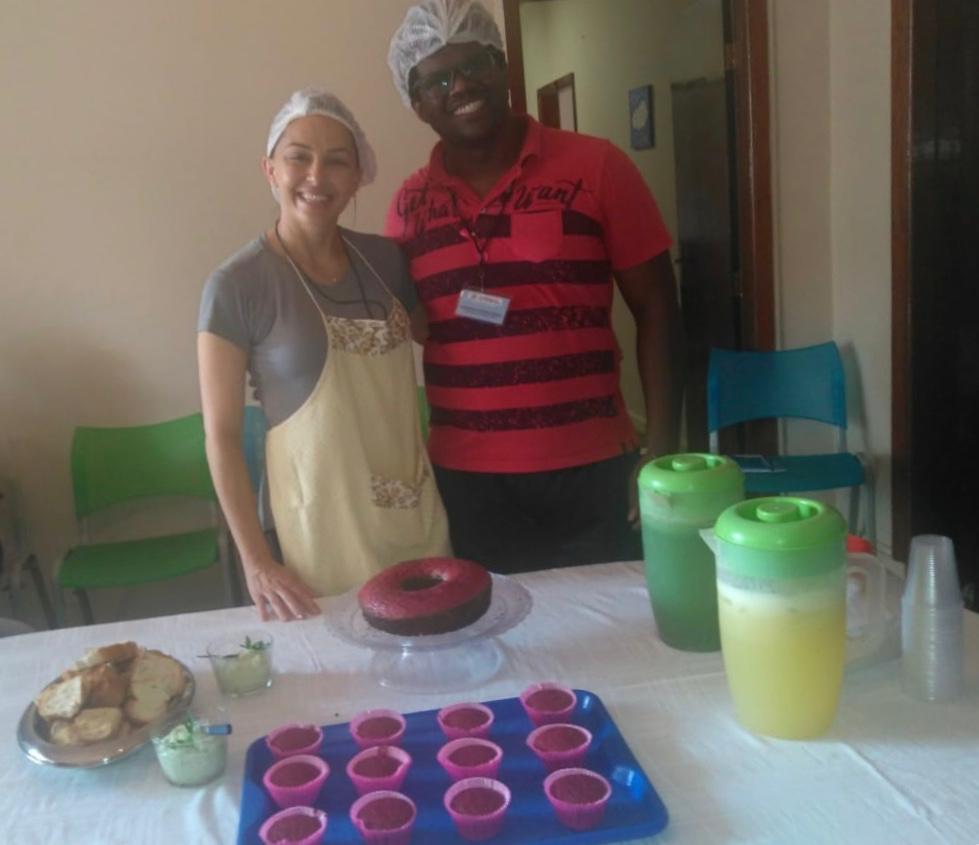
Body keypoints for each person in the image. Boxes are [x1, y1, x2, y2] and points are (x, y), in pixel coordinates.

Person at [385, 0, 684, 574]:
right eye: (438, 80)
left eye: (474, 65)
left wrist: (663, 451)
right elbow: (415, 324)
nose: (459, 86)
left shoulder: (598, 168)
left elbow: (658, 309)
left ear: (502, 66)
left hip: (592, 466)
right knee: (492, 626)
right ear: (417, 102)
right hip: (467, 480)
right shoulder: (408, 206)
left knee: (606, 623)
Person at [197, 88, 451, 621]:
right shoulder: (237, 285)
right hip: (317, 528)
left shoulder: (386, 261)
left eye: (338, 161)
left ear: (358, 176)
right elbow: (220, 437)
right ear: (270, 169)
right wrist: (257, 562)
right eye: (299, 157)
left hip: (412, 512)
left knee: (432, 648)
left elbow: (447, 338)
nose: (317, 176)